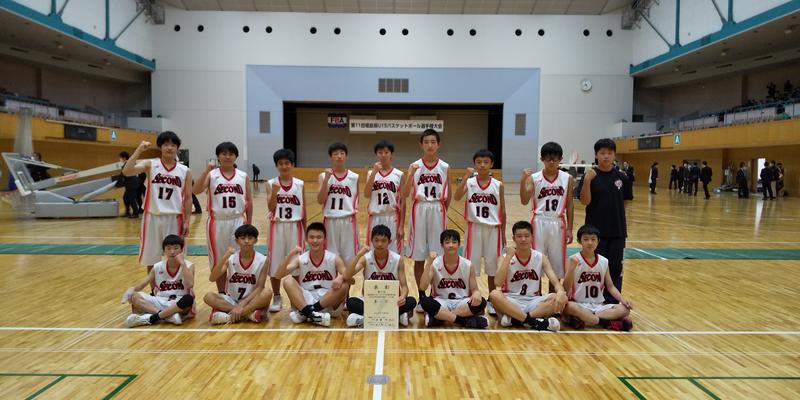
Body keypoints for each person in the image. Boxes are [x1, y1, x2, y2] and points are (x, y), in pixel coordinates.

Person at [122, 132, 193, 281]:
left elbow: (188, 198)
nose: (169, 148)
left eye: (173, 145)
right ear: (160, 147)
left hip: (175, 218)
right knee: (151, 259)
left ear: (177, 148)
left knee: (176, 257)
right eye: (166, 144)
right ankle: (154, 291)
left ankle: (174, 288)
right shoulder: (151, 164)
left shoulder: (185, 171)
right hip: (152, 217)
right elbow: (127, 171)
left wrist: (187, 221)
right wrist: (139, 150)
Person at [192, 142, 253, 293]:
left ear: (236, 156)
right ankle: (222, 294)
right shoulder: (212, 175)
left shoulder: (243, 176)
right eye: (224, 153)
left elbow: (249, 201)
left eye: (231, 154)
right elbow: (196, 190)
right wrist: (206, 170)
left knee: (240, 258)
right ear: (218, 156)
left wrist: (249, 224)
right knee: (219, 261)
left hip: (238, 220)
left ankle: (237, 293)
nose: (227, 156)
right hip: (217, 222)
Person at [403, 129, 451, 312]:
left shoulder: (444, 167)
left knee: (438, 255)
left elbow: (449, 195)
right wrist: (410, 174)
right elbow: (405, 194)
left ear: (438, 144)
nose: (430, 145)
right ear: (421, 144)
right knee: (418, 257)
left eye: (433, 142)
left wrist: (442, 210)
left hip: (438, 208)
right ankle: (422, 297)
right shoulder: (414, 166)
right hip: (420, 209)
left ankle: (435, 295)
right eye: (426, 142)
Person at [579, 138, 632, 303]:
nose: (606, 156)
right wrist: (587, 180)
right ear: (596, 155)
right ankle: (594, 300)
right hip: (595, 233)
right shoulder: (590, 176)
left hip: (617, 231)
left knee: (615, 267)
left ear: (614, 155)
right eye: (602, 153)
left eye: (609, 153)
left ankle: (612, 302)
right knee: (595, 267)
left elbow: (626, 201)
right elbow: (585, 201)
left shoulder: (622, 177)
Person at [454, 149, 506, 315]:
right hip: (474, 228)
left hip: (493, 229)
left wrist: (504, 233)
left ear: (491, 164)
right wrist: (465, 177)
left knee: (492, 269)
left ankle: (492, 300)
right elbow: (456, 197)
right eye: (479, 162)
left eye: (485, 162)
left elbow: (502, 210)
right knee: (470, 267)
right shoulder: (470, 182)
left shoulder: (498, 185)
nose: (482, 165)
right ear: (474, 164)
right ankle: (471, 298)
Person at [488, 221, 564, 331]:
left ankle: (516, 319)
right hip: (511, 300)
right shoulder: (504, 257)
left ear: (532, 237)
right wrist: (508, 257)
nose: (523, 239)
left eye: (526, 236)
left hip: (533, 301)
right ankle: (534, 322)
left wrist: (560, 292)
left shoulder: (540, 257)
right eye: (519, 236)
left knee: (558, 298)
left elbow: (555, 282)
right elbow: (498, 283)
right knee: (494, 295)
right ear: (513, 238)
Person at [520, 141, 573, 293]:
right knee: (536, 260)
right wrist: (523, 181)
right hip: (539, 222)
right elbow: (524, 200)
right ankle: (536, 296)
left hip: (558, 222)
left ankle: (553, 296)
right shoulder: (534, 178)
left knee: (556, 264)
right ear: (542, 159)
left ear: (560, 159)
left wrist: (570, 228)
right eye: (548, 158)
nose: (551, 162)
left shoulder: (567, 178)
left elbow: (570, 204)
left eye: (555, 158)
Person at [274, 222, 350, 327]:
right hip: (307, 298)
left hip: (329, 300)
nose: (315, 240)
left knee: (345, 285)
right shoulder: (301, 258)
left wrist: (341, 277)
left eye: (319, 237)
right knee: (287, 281)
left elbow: (350, 279)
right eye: (312, 237)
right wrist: (290, 255)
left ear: (325, 239)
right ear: (306, 239)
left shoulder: (333, 258)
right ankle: (312, 314)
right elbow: (278, 275)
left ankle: (307, 313)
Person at [342, 224, 416, 327]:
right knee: (351, 302)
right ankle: (396, 317)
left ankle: (366, 318)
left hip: (392, 301)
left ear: (389, 242)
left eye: (383, 240)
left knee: (411, 301)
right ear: (371, 241)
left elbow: (404, 287)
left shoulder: (397, 259)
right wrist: (359, 255)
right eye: (376, 240)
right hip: (370, 300)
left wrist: (402, 296)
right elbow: (347, 275)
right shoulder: (366, 258)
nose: (380, 244)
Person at [563, 225, 633, 331]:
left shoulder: (604, 261)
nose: (590, 242)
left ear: (598, 241)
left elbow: (610, 286)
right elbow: (566, 287)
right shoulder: (573, 259)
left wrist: (623, 300)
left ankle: (584, 319)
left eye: (593, 239)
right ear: (579, 241)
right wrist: (572, 268)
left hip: (598, 306)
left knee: (625, 310)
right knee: (568, 307)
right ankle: (606, 322)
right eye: (586, 239)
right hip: (578, 304)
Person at [418, 230, 488, 328]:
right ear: (442, 245)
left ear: (459, 244)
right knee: (425, 302)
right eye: (447, 242)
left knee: (481, 302)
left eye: (454, 242)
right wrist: (428, 264)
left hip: (462, 301)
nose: (451, 245)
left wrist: (477, 294)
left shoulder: (468, 264)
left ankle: (440, 318)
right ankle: (464, 321)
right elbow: (422, 287)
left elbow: (475, 289)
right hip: (441, 301)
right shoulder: (435, 264)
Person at [122, 235, 195, 327]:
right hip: (160, 300)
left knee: (188, 299)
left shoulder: (188, 265)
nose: (172, 252)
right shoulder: (157, 266)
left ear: (181, 250)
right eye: (168, 248)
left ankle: (153, 317)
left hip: (178, 304)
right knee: (135, 296)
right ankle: (167, 316)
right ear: (164, 251)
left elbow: (190, 285)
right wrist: (131, 289)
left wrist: (182, 263)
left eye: (176, 248)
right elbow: (142, 285)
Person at [204, 224, 271, 325]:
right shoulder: (231, 258)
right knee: (208, 297)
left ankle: (229, 317)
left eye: (250, 238)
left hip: (251, 300)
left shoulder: (263, 260)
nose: (246, 241)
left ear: (256, 240)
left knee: (267, 293)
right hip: (231, 300)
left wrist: (242, 304)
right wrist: (225, 256)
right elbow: (212, 278)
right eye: (243, 238)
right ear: (237, 241)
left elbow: (260, 287)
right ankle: (248, 314)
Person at [266, 149, 306, 312]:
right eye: (280, 163)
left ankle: (295, 300)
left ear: (292, 165)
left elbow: (304, 210)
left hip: (296, 226)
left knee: (296, 263)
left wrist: (306, 229)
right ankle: (277, 297)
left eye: (287, 163)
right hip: (277, 226)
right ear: (276, 165)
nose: (284, 166)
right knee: (275, 263)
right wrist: (275, 192)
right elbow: (271, 208)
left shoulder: (300, 184)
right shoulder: (271, 183)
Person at [317, 143, 360, 265]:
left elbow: (357, 200)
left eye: (342, 153)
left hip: (348, 221)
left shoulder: (354, 177)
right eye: (335, 154)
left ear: (347, 156)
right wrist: (326, 180)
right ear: (330, 157)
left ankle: (346, 278)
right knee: (330, 258)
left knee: (350, 259)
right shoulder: (323, 176)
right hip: (330, 220)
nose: (339, 156)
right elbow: (320, 200)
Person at [363, 140, 406, 254]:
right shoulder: (370, 173)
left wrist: (401, 226)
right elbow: (366, 194)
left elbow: (403, 202)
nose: (383, 155)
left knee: (394, 253)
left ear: (392, 154)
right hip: (375, 217)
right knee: (373, 252)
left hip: (392, 217)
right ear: (376, 154)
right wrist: (374, 173)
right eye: (380, 152)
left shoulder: (399, 174)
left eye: (386, 152)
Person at [118, 151, 141, 218]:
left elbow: (122, 174)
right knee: (126, 197)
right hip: (132, 183)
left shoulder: (127, 164)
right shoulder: (129, 163)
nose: (120, 159)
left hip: (132, 183)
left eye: (120, 157)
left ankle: (136, 213)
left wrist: (117, 184)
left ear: (124, 158)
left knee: (131, 198)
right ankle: (127, 212)